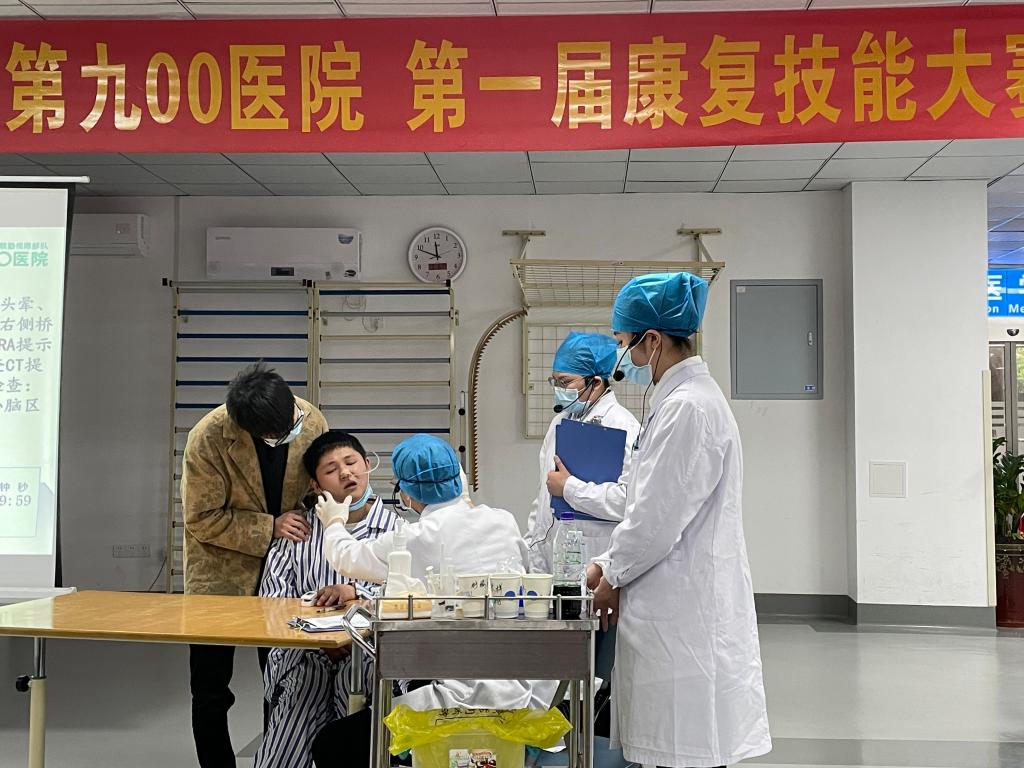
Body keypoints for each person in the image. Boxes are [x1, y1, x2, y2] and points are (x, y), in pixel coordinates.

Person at [589, 273, 772, 768]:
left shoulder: (688, 408)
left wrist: (611, 574)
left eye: (625, 344)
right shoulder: (680, 401)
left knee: (688, 747)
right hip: (677, 599)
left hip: (682, 610)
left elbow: (655, 521)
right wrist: (609, 562)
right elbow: (651, 506)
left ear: (653, 340)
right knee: (683, 746)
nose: (624, 357)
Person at [310, 433, 547, 767]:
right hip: (523, 691)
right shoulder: (502, 521)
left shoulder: (415, 537)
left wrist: (334, 521)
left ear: (406, 492)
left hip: (460, 700)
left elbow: (347, 557)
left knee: (333, 745)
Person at [181, 362, 327, 768]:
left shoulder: (309, 419)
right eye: (276, 433)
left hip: (288, 569)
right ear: (248, 428)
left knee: (284, 679)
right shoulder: (208, 438)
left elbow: (317, 488)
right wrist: (270, 526)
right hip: (219, 574)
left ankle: (277, 759)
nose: (292, 430)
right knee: (210, 689)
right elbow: (201, 518)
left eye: (291, 421)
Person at [254, 432, 397, 768]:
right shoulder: (296, 534)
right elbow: (271, 605)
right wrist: (319, 637)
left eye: (351, 463)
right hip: (305, 656)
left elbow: (408, 599)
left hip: (369, 656)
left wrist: (359, 595)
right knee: (290, 727)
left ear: (367, 465)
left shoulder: (397, 531)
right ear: (316, 485)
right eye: (331, 470)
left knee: (363, 722)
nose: (346, 473)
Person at [525, 331, 640, 574]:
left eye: (565, 382)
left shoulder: (624, 428)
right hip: (551, 561)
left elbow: (629, 503)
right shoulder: (559, 422)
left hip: (597, 563)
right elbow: (543, 499)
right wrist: (533, 558)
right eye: (555, 381)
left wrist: (570, 488)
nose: (558, 389)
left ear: (596, 382)